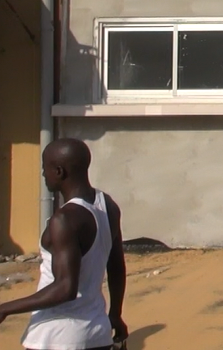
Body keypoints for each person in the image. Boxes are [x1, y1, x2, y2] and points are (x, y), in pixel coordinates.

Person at [0, 139, 127, 350]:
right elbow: (116, 267)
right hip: (97, 334)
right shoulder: (108, 206)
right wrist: (115, 314)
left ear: (59, 171)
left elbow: (65, 288)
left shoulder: (64, 219)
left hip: (56, 337)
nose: (43, 174)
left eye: (45, 168)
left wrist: (5, 308)